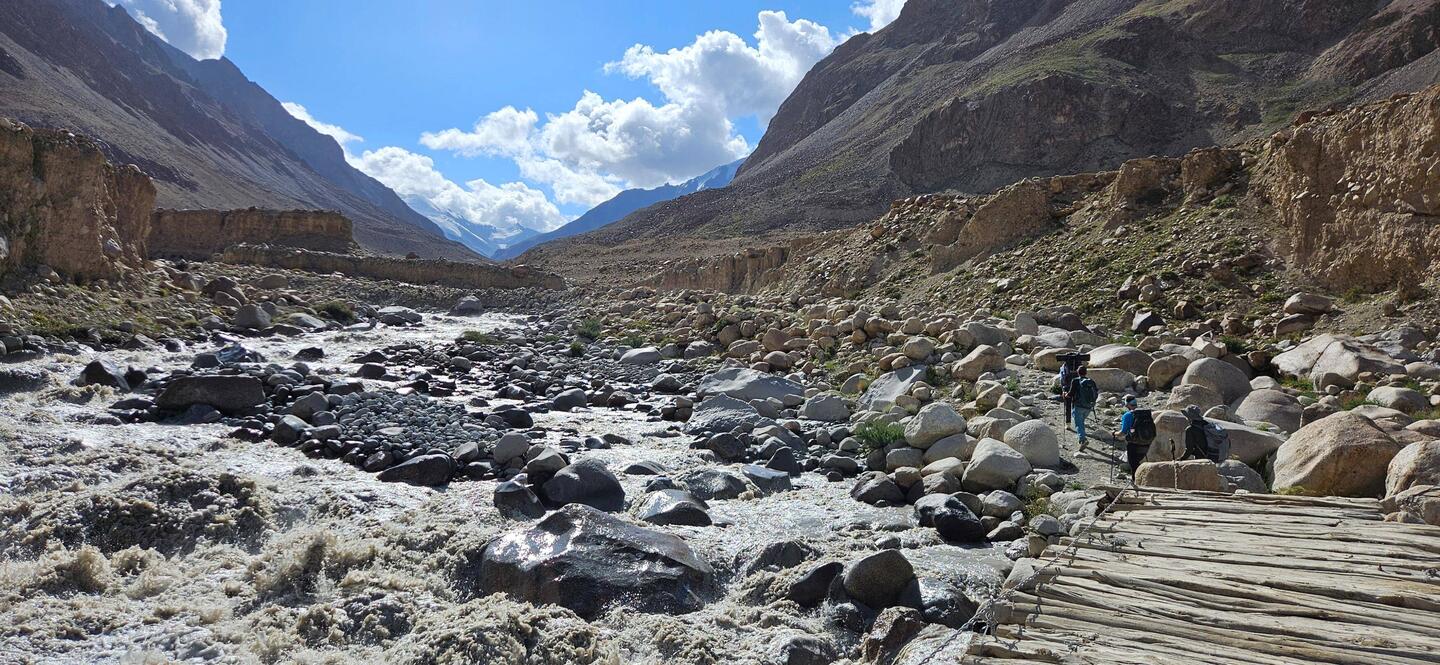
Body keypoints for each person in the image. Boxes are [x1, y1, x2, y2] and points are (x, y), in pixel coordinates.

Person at [1113, 396, 1155, 473]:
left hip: (1133, 443)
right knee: (1140, 461)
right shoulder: (1145, 414)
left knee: (1133, 464)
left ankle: (1135, 481)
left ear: (1127, 404)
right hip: (1147, 441)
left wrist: (1114, 433)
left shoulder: (1127, 415)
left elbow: (1123, 432)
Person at [1066, 366, 1099, 451]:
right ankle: (1082, 434)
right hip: (1088, 407)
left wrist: (1066, 395)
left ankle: (1083, 440)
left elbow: (1071, 393)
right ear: (1086, 372)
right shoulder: (1091, 381)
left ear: (1077, 372)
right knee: (1081, 421)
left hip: (1079, 406)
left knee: (1078, 423)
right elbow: (1096, 393)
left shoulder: (1075, 380)